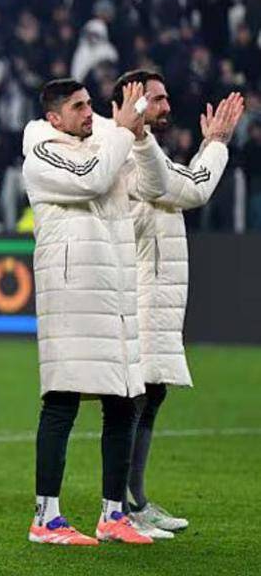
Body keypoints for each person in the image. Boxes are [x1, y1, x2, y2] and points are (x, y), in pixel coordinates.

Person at [22, 78, 166, 546]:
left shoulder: (108, 142)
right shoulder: (41, 149)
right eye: (77, 106)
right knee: (62, 399)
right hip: (71, 293)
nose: (88, 112)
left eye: (89, 104)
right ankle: (45, 518)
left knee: (122, 401)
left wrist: (140, 138)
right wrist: (122, 132)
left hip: (114, 289)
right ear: (54, 117)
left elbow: (156, 186)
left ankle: (113, 515)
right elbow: (91, 179)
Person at [116, 70, 243, 538]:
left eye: (167, 97)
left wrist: (207, 148)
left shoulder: (148, 153)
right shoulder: (128, 154)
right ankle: (122, 507)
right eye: (156, 98)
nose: (167, 106)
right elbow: (192, 189)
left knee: (151, 394)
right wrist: (216, 145)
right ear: (132, 103)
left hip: (156, 294)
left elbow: (179, 182)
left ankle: (135, 500)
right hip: (138, 291)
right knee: (135, 399)